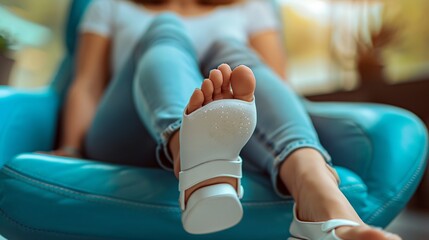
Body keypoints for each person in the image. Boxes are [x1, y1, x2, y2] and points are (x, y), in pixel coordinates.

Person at [48, 0, 401, 239]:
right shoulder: (110, 5)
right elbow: (88, 84)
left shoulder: (250, 6)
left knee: (234, 54)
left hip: (234, 145)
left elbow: (275, 85)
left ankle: (318, 194)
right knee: (164, 28)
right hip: (128, 131)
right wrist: (69, 146)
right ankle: (188, 148)